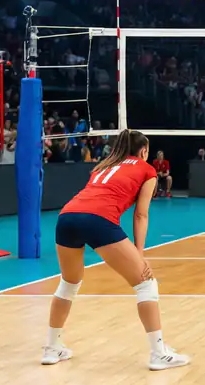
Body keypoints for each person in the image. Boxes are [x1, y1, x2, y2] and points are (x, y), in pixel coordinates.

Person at [44, 129, 188, 370]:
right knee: (146, 283)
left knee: (68, 283)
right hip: (98, 219)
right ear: (143, 151)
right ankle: (158, 354)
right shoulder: (147, 169)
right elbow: (141, 214)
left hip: (67, 217)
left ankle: (51, 348)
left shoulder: (102, 166)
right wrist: (139, 255)